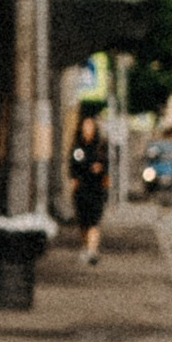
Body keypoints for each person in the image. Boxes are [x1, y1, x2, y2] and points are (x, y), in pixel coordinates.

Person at [66, 106, 108, 263]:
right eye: (85, 125)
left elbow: (106, 167)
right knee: (83, 222)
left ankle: (92, 251)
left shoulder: (100, 147)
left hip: (96, 189)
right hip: (81, 190)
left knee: (93, 222)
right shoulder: (78, 147)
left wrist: (101, 172)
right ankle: (86, 247)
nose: (88, 129)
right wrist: (73, 181)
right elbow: (73, 167)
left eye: (91, 126)